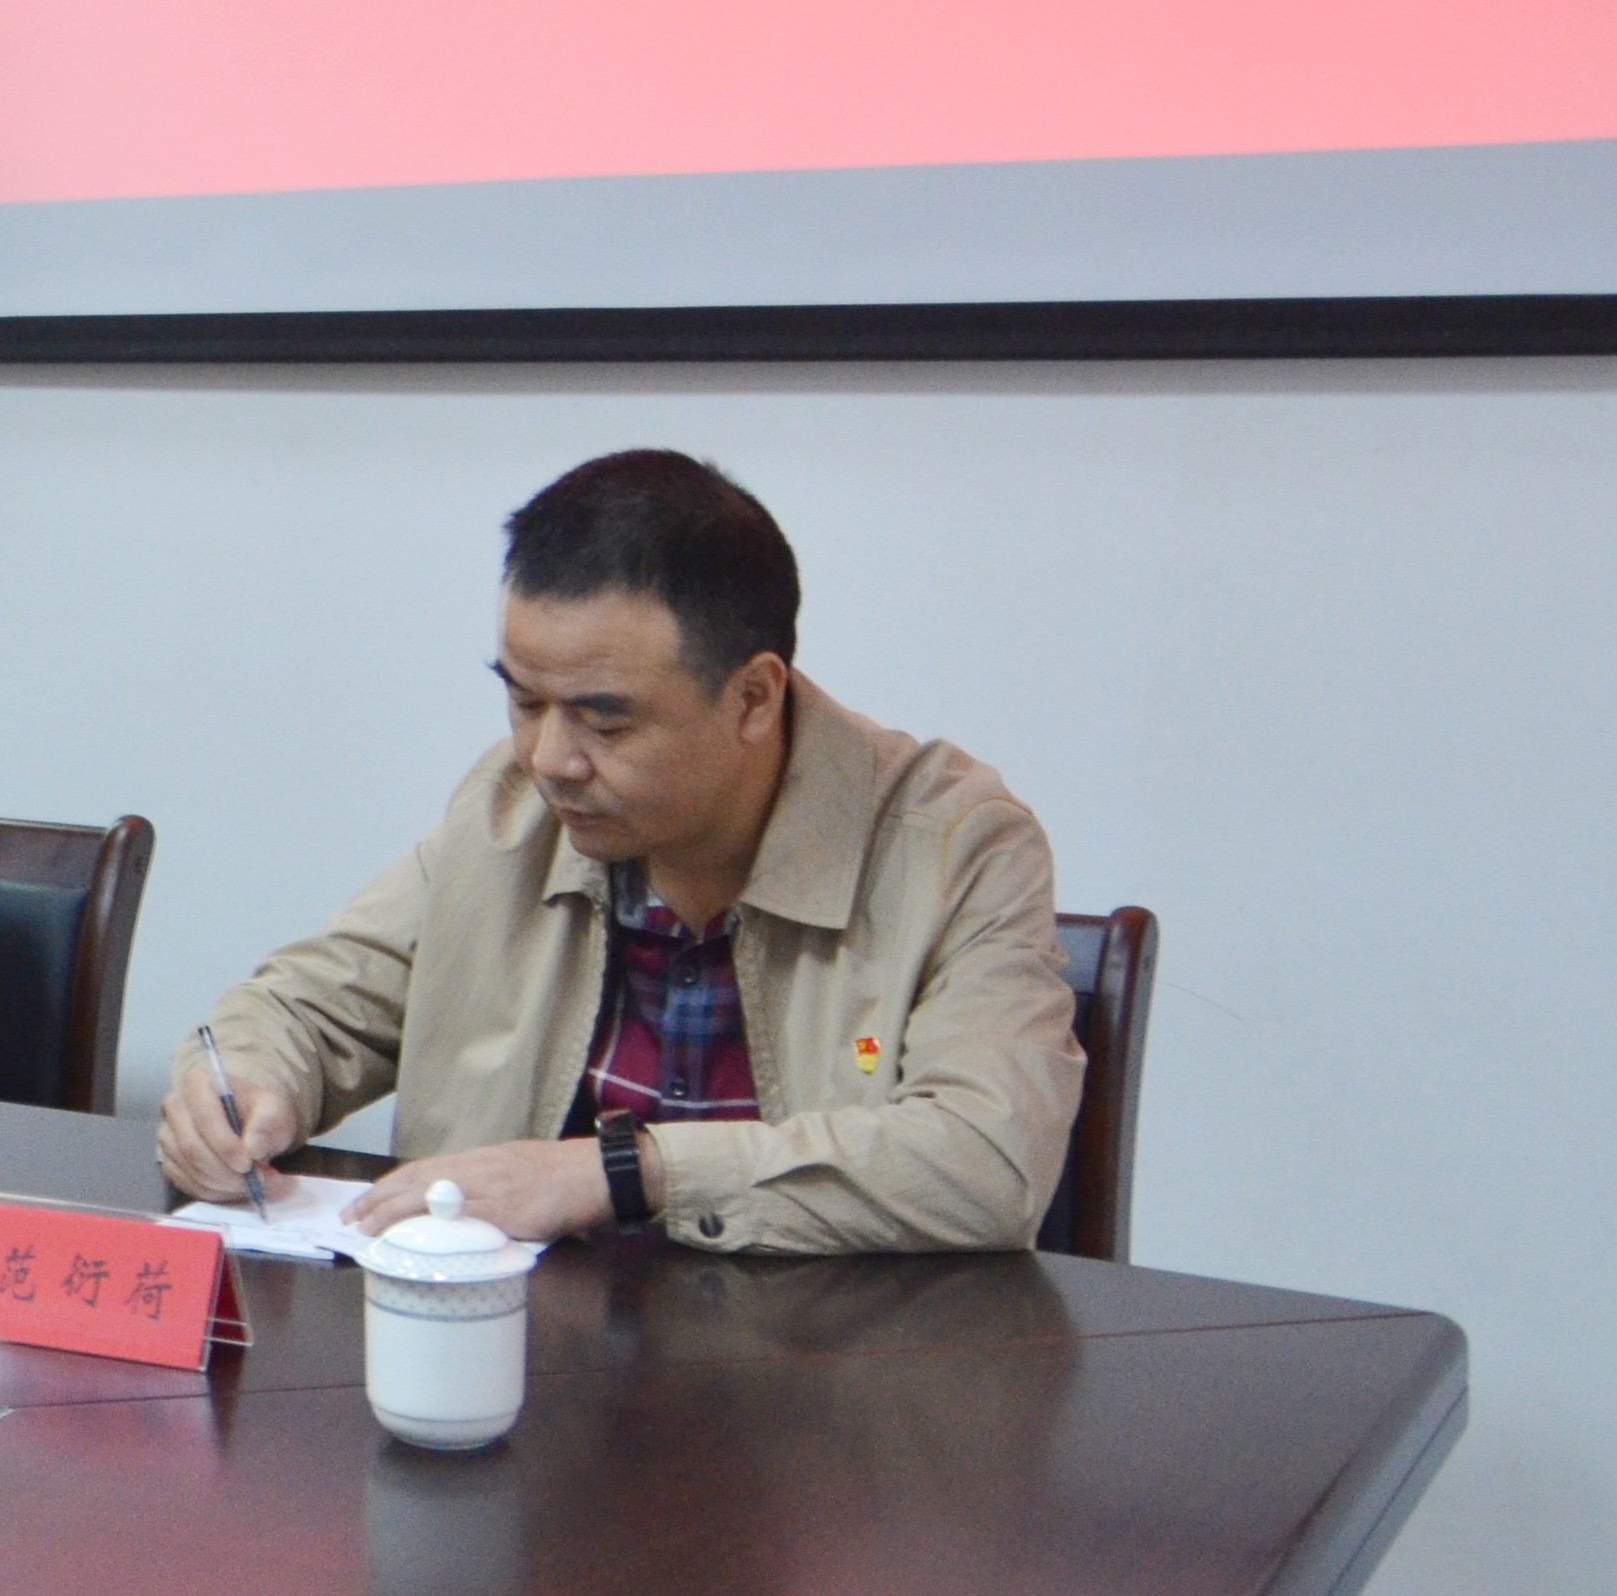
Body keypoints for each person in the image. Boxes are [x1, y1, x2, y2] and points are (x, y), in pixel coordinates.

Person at [158, 449, 1081, 1255]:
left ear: (754, 699)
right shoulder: (510, 811)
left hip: (825, 1377)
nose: (550, 759)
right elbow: (310, 1006)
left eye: (605, 721)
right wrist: (240, 1084)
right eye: (524, 701)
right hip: (520, 1361)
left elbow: (985, 1160)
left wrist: (623, 1172)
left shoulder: (954, 845)